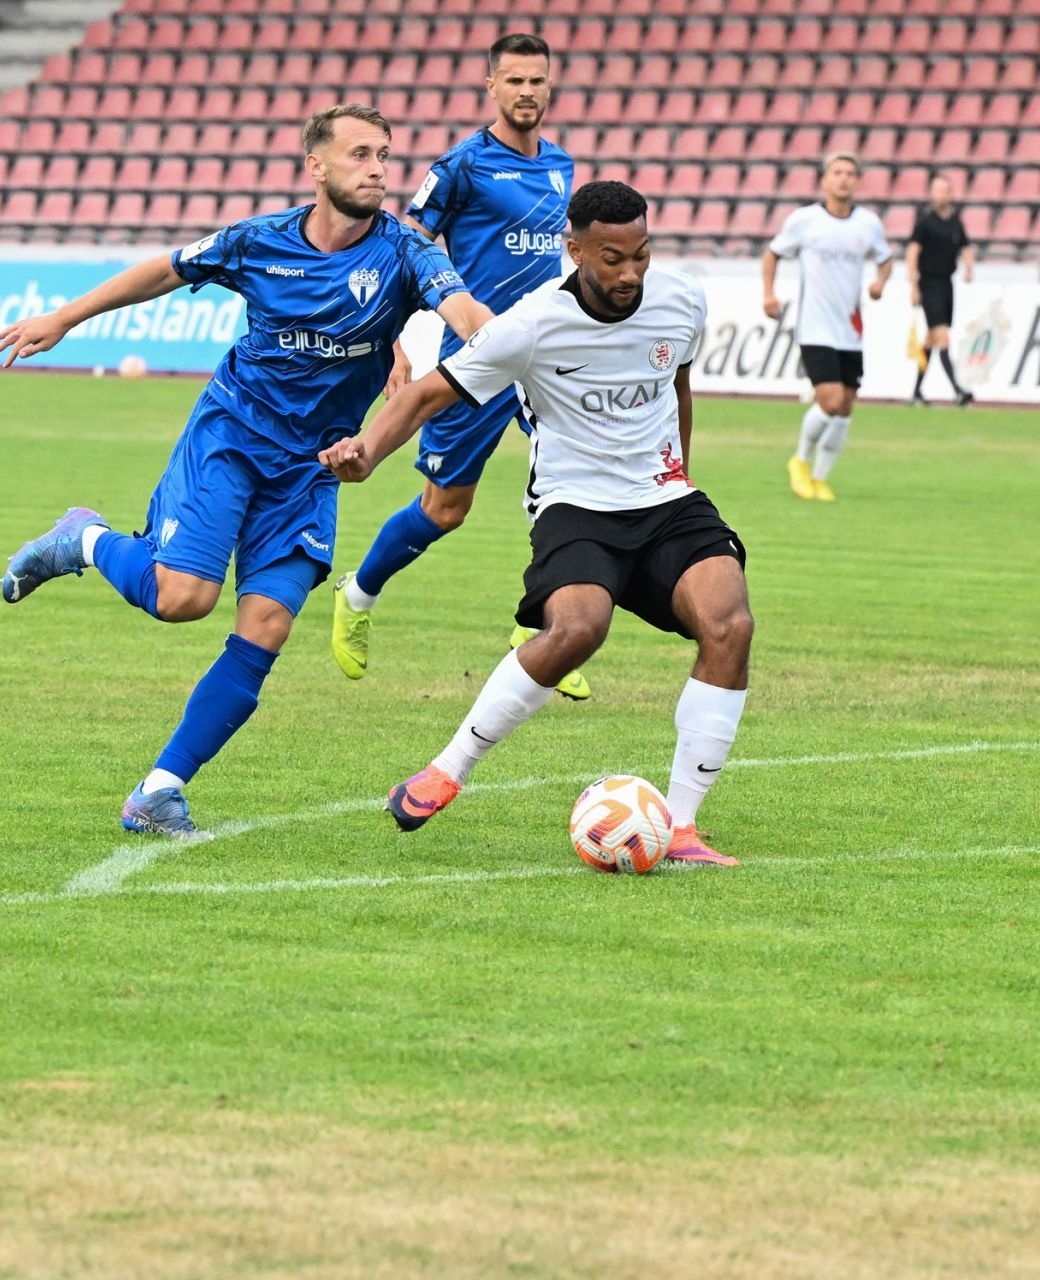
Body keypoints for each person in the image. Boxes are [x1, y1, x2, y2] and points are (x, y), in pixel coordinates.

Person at [0, 105, 491, 836]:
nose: (379, 168)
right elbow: (163, 271)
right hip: (232, 436)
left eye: (384, 154)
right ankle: (84, 539)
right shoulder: (258, 242)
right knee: (183, 599)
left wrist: (500, 340)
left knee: (267, 625)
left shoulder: (408, 251)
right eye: (359, 155)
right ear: (316, 166)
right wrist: (65, 319)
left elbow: (464, 309)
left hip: (310, 467)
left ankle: (158, 791)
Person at [319, 181, 749, 868]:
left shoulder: (681, 300)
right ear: (574, 250)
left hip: (666, 500)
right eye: (612, 258)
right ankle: (447, 768)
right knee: (578, 629)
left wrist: (682, 474)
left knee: (731, 625)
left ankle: (685, 830)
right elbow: (430, 392)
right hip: (575, 505)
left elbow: (679, 385)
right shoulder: (529, 325)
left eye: (640, 255)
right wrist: (367, 453)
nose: (630, 273)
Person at [331, 33, 589, 699]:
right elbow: (405, 244)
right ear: (491, 86)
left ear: (550, 85)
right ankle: (356, 597)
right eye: (514, 81)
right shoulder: (461, 166)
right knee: (446, 510)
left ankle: (550, 625)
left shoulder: (562, 165)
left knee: (578, 483)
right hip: (474, 360)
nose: (526, 92)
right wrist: (391, 335)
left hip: (542, 357)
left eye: (537, 80)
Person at [763, 151, 892, 503]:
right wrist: (769, 294)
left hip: (851, 328)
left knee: (847, 405)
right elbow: (773, 253)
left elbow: (885, 258)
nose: (844, 178)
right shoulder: (805, 221)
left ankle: (819, 479)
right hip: (815, 327)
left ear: (858, 180)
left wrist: (881, 282)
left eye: (850, 172)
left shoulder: (868, 224)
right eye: (837, 172)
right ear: (824, 180)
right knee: (831, 400)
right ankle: (800, 461)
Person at [906, 174, 976, 408]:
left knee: (931, 339)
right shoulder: (925, 221)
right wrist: (914, 285)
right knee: (942, 336)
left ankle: (916, 392)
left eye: (945, 191)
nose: (941, 195)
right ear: (931, 193)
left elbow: (965, 246)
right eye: (937, 190)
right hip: (928, 283)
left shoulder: (956, 221)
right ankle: (957, 390)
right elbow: (912, 253)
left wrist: (969, 268)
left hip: (946, 284)